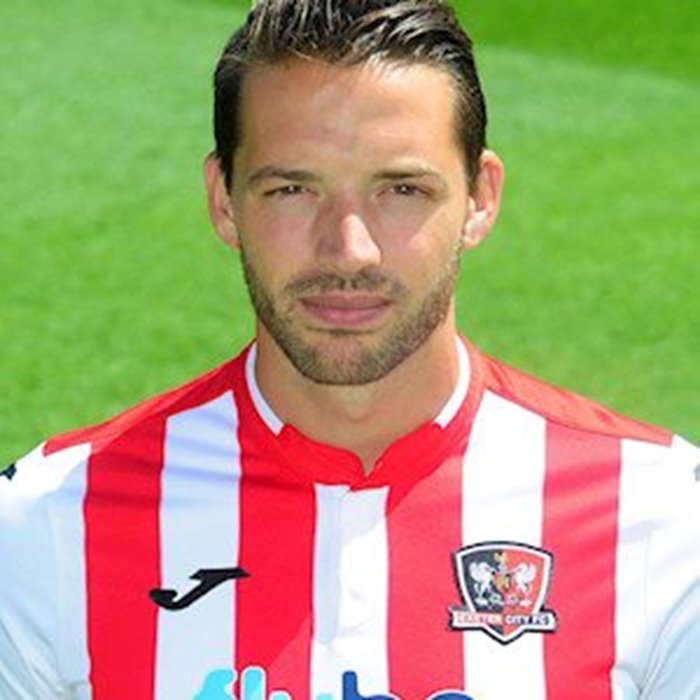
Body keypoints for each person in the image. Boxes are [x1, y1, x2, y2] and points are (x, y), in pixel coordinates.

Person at [1, 1, 698, 698]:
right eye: (292, 189)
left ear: (480, 198)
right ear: (224, 200)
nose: (349, 249)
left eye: (402, 189)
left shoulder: (662, 516)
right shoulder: (44, 523)